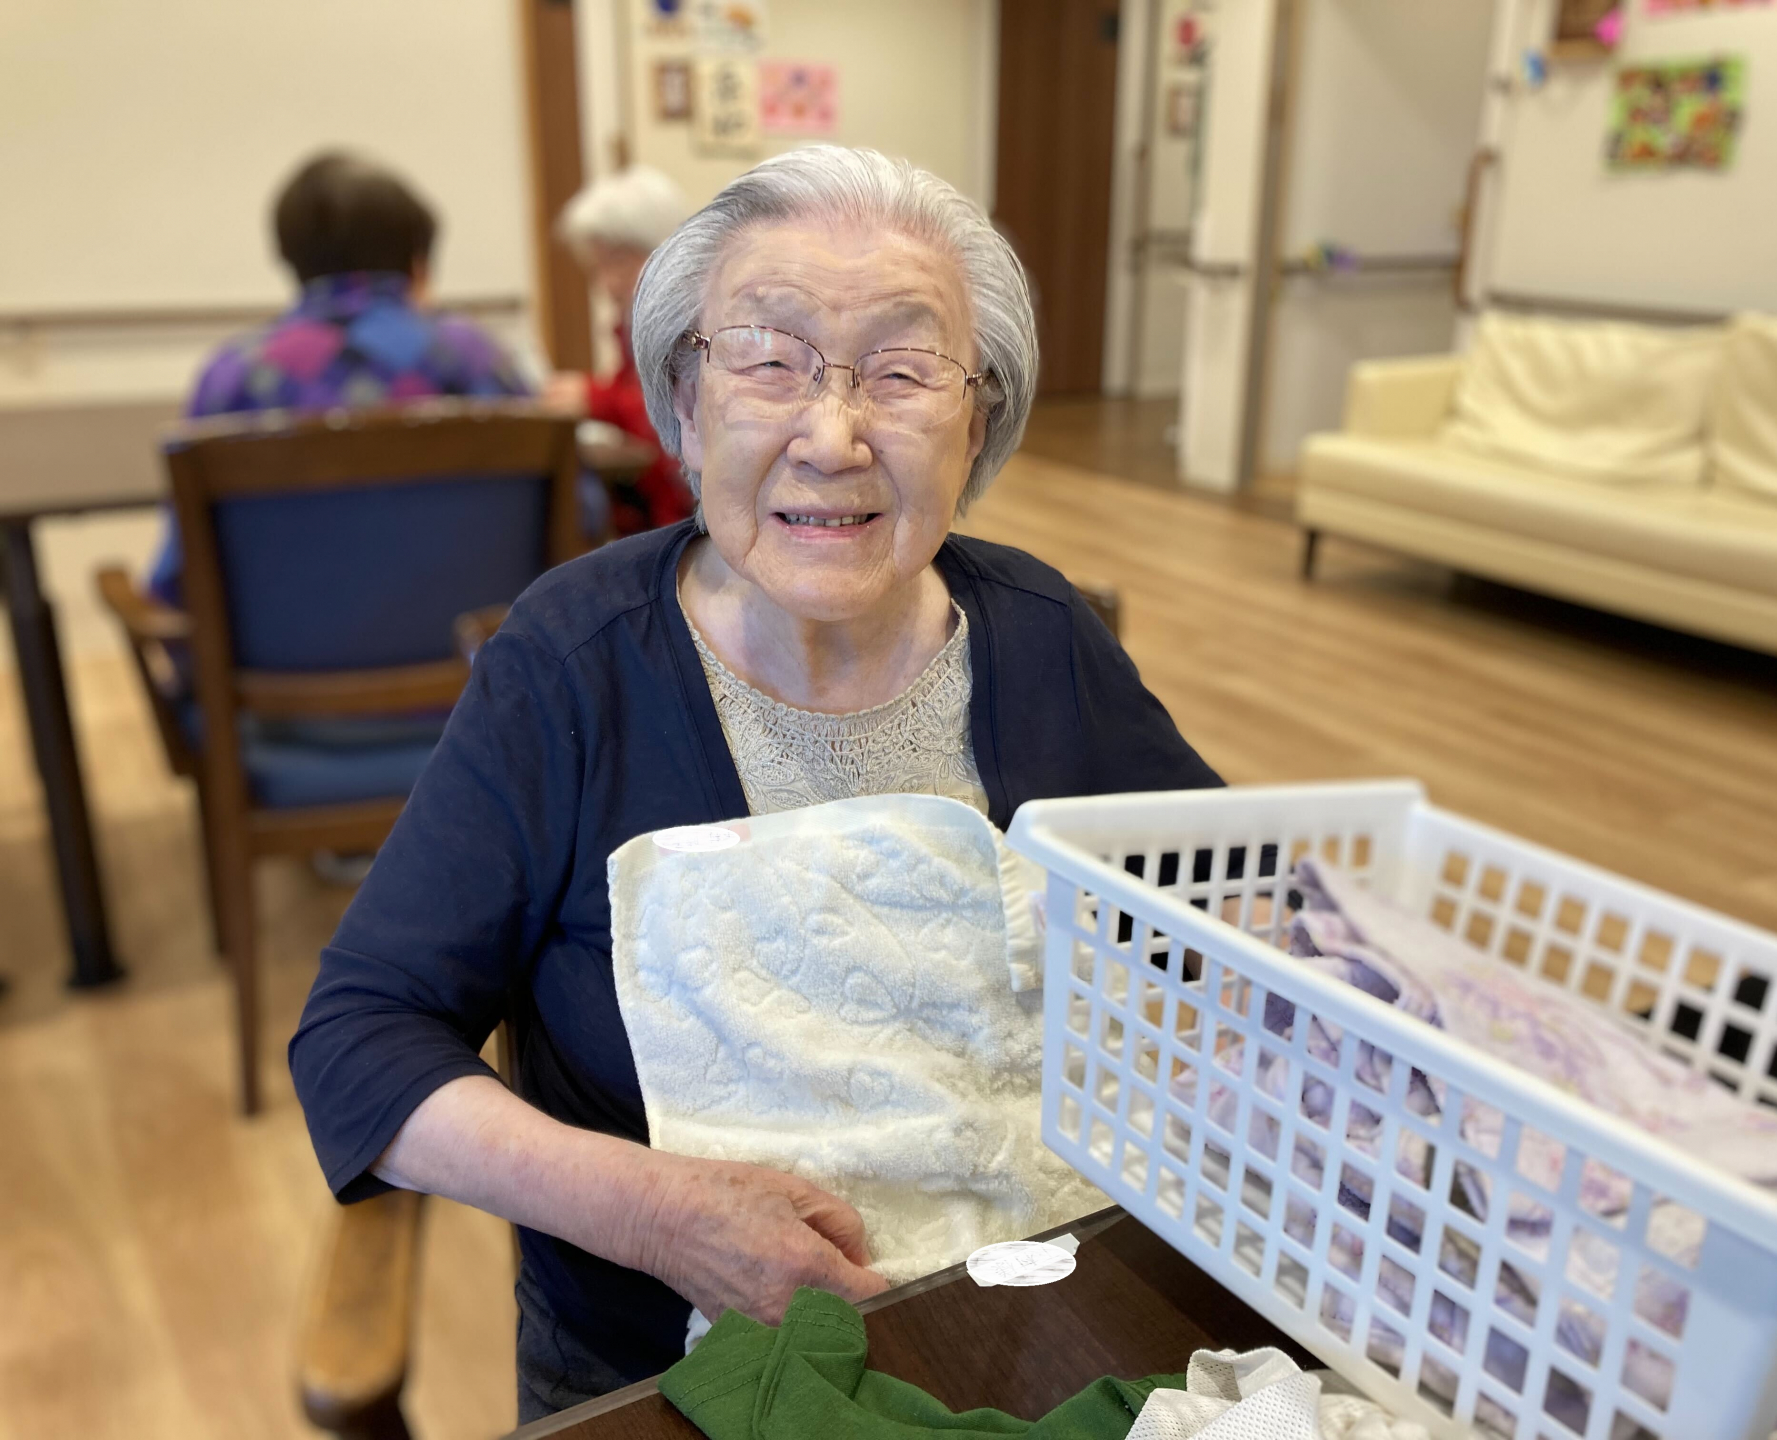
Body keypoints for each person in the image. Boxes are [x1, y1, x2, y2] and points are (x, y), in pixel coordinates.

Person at [289, 146, 1222, 1422]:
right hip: (676, 1381)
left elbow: (1234, 927)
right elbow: (358, 1038)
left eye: (904, 372)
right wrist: (655, 1213)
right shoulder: (572, 665)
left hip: (1037, 1335)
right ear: (684, 403)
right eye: (769, 361)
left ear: (979, 420)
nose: (832, 437)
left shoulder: (1042, 636)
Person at [147, 151, 536, 606]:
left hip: (286, 649)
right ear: (416, 255)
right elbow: (575, 518)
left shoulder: (235, 375)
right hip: (482, 645)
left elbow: (180, 575)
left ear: (288, 255)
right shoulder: (476, 357)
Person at [546, 165, 697, 533]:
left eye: (619, 261)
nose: (608, 284)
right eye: (598, 267)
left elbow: (667, 419)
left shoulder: (690, 322)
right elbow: (630, 388)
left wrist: (593, 398)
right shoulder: (632, 323)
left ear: (666, 251)